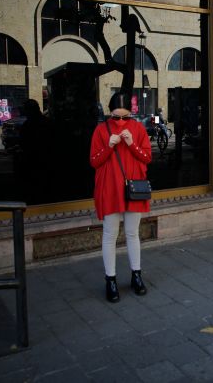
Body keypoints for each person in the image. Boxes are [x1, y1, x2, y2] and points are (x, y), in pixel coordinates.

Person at [89, 91, 152, 303]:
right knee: (110, 235)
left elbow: (147, 157)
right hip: (110, 188)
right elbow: (94, 162)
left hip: (133, 188)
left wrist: (132, 143)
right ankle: (111, 280)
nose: (121, 121)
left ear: (132, 114)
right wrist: (109, 146)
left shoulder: (138, 128)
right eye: (117, 117)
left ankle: (136, 275)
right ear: (110, 113)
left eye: (126, 117)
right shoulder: (100, 130)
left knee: (132, 233)